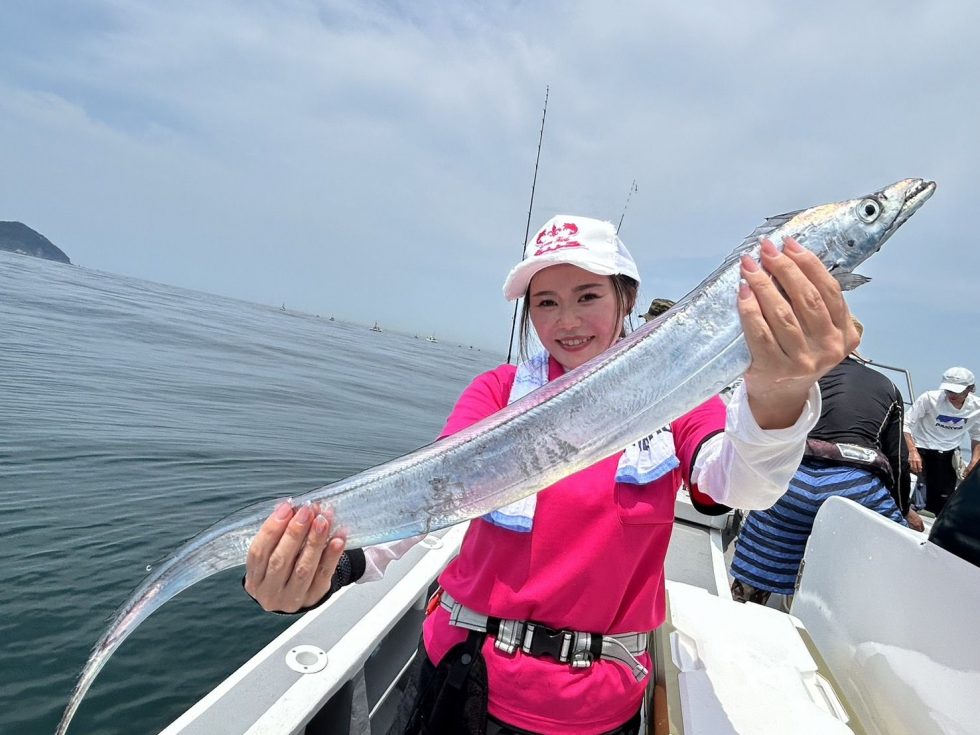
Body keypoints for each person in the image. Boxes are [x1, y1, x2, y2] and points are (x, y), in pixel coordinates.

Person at [243, 214, 857, 735]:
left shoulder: (676, 396)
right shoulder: (500, 391)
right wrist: (328, 568)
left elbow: (741, 485)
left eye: (587, 296)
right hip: (458, 678)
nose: (566, 321)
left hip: (590, 709)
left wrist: (781, 392)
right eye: (545, 302)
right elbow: (434, 502)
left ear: (626, 299)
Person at [730, 318, 922, 610]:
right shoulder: (888, 387)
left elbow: (758, 429)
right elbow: (898, 460)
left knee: (762, 544)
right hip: (856, 486)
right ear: (855, 349)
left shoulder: (795, 372)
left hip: (792, 478)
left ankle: (746, 597)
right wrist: (904, 511)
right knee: (897, 551)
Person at [904, 367, 980, 515]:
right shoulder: (929, 398)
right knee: (915, 496)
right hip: (920, 449)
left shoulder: (977, 408)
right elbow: (905, 424)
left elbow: (977, 435)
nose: (951, 394)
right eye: (948, 390)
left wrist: (974, 461)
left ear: (970, 389)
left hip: (948, 454)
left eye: (956, 391)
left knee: (941, 503)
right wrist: (912, 452)